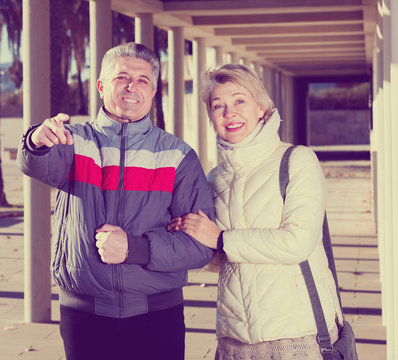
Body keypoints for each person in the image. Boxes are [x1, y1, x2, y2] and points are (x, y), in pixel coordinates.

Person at [17, 42, 215, 360]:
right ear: (101, 86)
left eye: (142, 80)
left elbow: (201, 246)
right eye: (121, 76)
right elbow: (36, 163)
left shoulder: (178, 156)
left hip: (157, 316)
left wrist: (135, 249)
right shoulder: (72, 141)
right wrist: (37, 140)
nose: (131, 86)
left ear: (153, 92)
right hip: (83, 317)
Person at [167, 64, 343, 360]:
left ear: (261, 107)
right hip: (234, 338)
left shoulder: (297, 161)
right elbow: (219, 260)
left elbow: (297, 243)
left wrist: (221, 239)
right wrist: (190, 238)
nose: (229, 113)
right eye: (217, 105)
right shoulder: (213, 179)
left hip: (297, 335)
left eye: (239, 101)